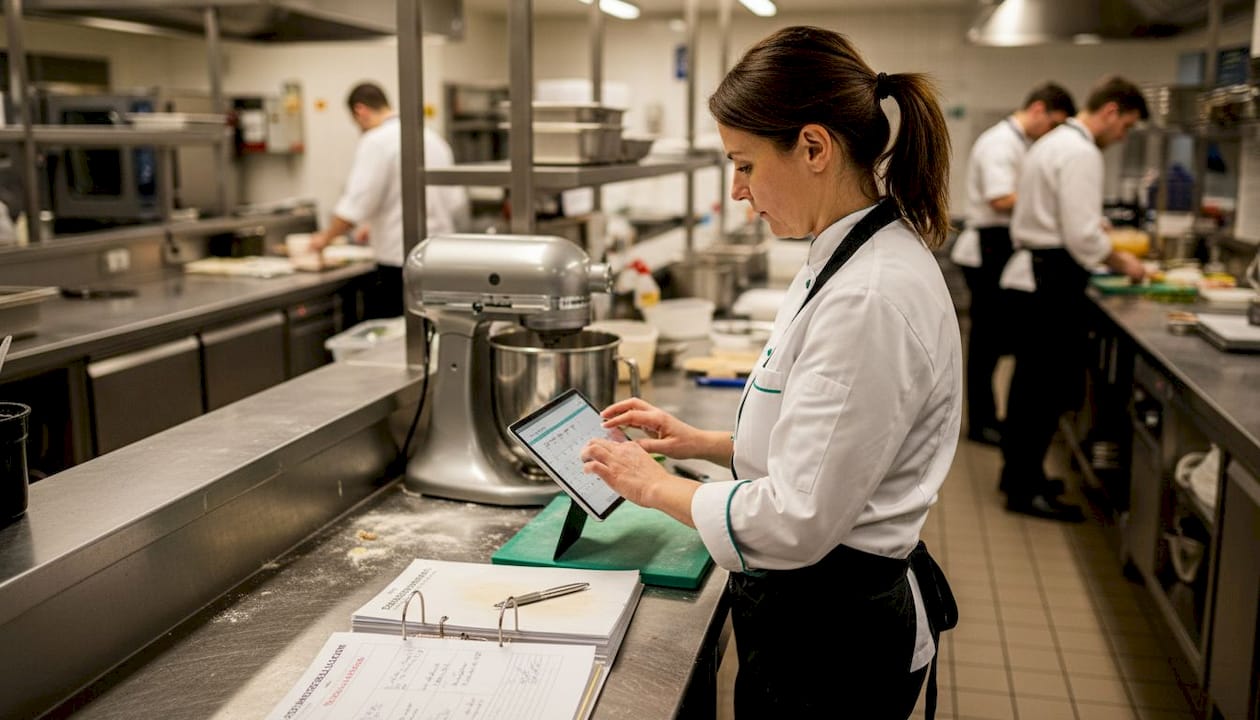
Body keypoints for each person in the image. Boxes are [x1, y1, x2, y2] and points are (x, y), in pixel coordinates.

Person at [581, 26, 960, 719]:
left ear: (814, 147)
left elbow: (797, 517)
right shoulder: (845, 254)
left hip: (833, 640)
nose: (736, 191)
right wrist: (701, 442)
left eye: (744, 164)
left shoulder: (869, 297)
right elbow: (833, 443)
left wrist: (654, 486)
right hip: (816, 617)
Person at [997, 75, 1149, 522]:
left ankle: (1020, 477)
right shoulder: (1081, 152)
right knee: (1043, 392)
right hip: (1053, 278)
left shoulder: (1053, 141)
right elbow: (1082, 236)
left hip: (1035, 272)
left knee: (1030, 388)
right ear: (1110, 112)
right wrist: (1127, 264)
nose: (1122, 137)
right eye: (1125, 127)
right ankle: (1025, 490)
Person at [951, 83, 1076, 448]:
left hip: (1001, 244)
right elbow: (1000, 197)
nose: (1053, 133)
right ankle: (982, 422)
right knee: (987, 340)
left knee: (993, 338)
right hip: (991, 244)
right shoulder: (1000, 143)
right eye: (1053, 123)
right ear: (1038, 109)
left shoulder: (1022, 143)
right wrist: (1052, 198)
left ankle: (989, 418)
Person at [311, 82, 469, 319]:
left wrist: (323, 239)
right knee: (434, 332)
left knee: (397, 341)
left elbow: (356, 204)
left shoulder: (376, 141)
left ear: (360, 110)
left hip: (399, 264)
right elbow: (455, 202)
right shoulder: (431, 137)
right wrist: (374, 225)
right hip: (440, 259)